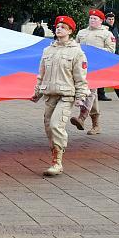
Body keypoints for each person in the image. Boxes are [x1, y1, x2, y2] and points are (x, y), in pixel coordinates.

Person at [30, 15, 89, 177]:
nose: (59, 29)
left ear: (70, 31)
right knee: (49, 128)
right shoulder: (47, 51)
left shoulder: (77, 52)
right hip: (50, 95)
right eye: (57, 26)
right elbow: (41, 74)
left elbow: (81, 77)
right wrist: (36, 92)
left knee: (57, 125)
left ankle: (57, 161)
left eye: (63, 27)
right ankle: (55, 154)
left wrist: (80, 97)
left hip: (66, 96)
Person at [70, 9, 115, 135]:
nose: (92, 20)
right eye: (91, 18)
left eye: (95, 18)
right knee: (91, 94)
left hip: (97, 68)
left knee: (90, 91)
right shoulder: (82, 32)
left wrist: (95, 50)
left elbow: (111, 51)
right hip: (82, 67)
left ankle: (82, 117)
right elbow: (75, 47)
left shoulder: (107, 34)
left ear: (101, 21)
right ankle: (96, 125)